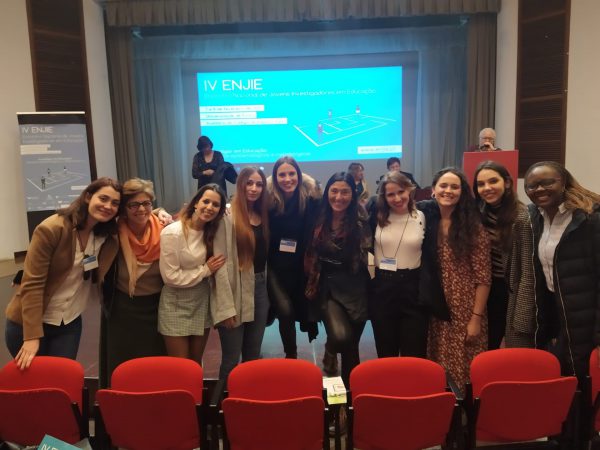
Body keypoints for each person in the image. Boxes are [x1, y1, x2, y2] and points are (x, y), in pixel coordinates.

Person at [5, 177, 122, 370]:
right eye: (103, 198)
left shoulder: (104, 234)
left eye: (115, 203)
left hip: (68, 322)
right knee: (36, 383)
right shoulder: (53, 228)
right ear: (88, 197)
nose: (108, 206)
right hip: (29, 324)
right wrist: (32, 336)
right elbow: (33, 284)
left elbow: (138, 215)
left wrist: (159, 213)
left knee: (60, 380)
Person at [524, 161, 600, 380]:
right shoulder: (535, 217)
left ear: (564, 182)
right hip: (554, 312)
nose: (539, 189)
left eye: (547, 182)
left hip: (586, 316)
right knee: (559, 377)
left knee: (584, 379)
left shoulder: (590, 218)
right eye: (531, 186)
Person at [418, 168, 491, 391]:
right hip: (436, 304)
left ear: (462, 192)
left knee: (464, 365)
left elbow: (483, 277)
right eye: (443, 186)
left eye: (454, 187)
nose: (448, 191)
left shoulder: (473, 227)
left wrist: (476, 318)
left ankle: (464, 410)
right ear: (433, 190)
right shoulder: (426, 220)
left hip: (465, 307)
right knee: (437, 361)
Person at [100, 178, 172, 387]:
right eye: (133, 204)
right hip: (122, 310)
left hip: (158, 309)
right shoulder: (112, 233)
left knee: (156, 369)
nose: (141, 209)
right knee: (123, 369)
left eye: (146, 203)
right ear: (124, 208)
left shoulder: (166, 230)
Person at [305, 172, 371, 386]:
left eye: (345, 192)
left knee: (351, 346)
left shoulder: (361, 219)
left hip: (356, 285)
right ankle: (330, 349)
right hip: (326, 285)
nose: (339, 197)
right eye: (334, 191)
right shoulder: (317, 214)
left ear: (353, 194)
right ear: (327, 192)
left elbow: (369, 251)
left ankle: (350, 396)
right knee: (341, 337)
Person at [158, 184, 236, 365]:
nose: (209, 207)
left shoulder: (212, 232)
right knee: (180, 367)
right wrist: (205, 270)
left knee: (195, 363)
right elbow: (170, 277)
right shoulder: (173, 232)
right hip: (175, 304)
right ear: (195, 203)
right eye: (206, 201)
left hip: (201, 301)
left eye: (215, 205)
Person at [474, 161, 536, 349]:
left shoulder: (522, 217)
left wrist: (522, 317)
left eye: (493, 181)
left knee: (511, 346)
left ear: (507, 183)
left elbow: (528, 272)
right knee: (486, 344)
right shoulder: (479, 213)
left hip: (511, 290)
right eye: (481, 184)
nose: (487, 188)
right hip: (485, 288)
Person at [217, 167, 270, 380]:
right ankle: (222, 399)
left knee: (252, 356)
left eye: (259, 184)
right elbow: (220, 265)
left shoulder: (263, 215)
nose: (254, 188)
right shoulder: (227, 216)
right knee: (231, 359)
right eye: (249, 183)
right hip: (234, 289)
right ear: (240, 185)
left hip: (260, 289)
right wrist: (225, 306)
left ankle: (248, 397)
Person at [369, 171, 428, 358]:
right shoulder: (376, 217)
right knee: (386, 351)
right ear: (384, 197)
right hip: (383, 287)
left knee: (414, 352)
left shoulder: (422, 216)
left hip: (413, 288)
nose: (397, 198)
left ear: (409, 190)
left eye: (401, 192)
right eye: (390, 194)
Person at [267, 156, 321, 359]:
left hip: (300, 267)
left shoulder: (310, 200)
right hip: (274, 267)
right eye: (282, 174)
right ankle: (291, 356)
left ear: (299, 175)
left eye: (292, 173)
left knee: (301, 310)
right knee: (285, 312)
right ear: (275, 178)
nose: (287, 179)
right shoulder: (268, 202)